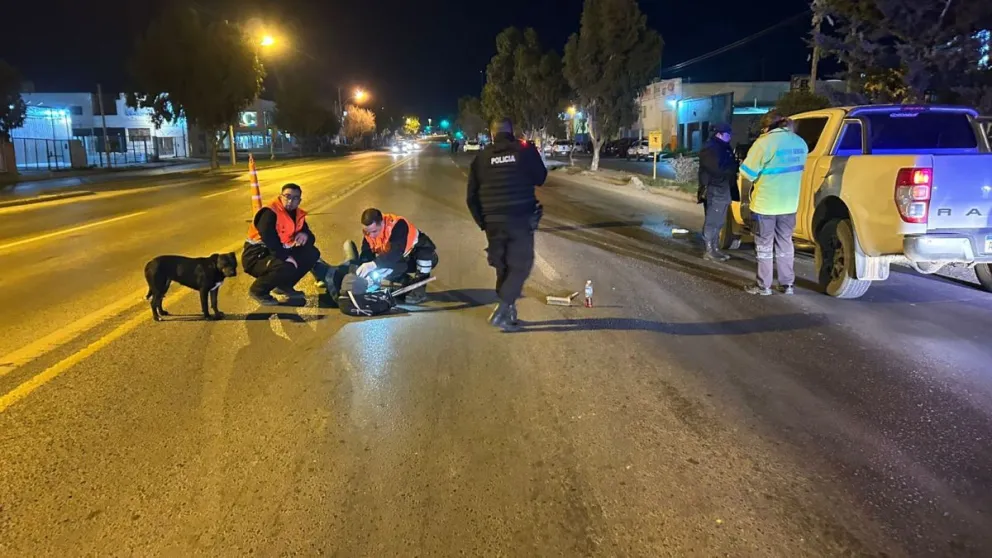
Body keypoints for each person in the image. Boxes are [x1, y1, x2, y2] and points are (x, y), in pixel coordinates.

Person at [466, 118, 548, 331]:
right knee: (521, 265)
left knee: (503, 267)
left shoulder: (481, 158)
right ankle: (502, 309)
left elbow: (471, 197)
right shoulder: (525, 151)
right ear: (512, 132)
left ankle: (509, 312)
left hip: (493, 223)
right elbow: (541, 177)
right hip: (520, 219)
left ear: (492, 135)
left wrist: (483, 223)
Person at [739, 110, 809, 296]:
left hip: (766, 204)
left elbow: (748, 173)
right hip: (789, 204)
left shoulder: (764, 143)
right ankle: (787, 285)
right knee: (785, 243)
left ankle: (764, 286)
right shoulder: (799, 142)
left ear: (767, 126)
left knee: (764, 246)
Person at [243, 183, 322, 305]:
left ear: (299, 201)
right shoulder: (270, 212)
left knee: (312, 253)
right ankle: (258, 290)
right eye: (287, 196)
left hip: (277, 252)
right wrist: (286, 257)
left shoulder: (298, 214)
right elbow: (269, 238)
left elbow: (308, 235)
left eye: (295, 198)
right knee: (286, 265)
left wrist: (305, 235)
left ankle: (284, 286)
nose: (290, 200)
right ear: (280, 196)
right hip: (257, 256)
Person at [354, 208, 437, 304]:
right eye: (367, 232)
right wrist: (364, 272)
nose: (371, 236)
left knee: (424, 254)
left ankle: (419, 290)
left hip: (419, 254)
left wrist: (373, 264)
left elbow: (395, 253)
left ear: (382, 223)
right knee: (381, 269)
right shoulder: (369, 234)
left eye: (374, 231)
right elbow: (367, 254)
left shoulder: (398, 225)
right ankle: (407, 282)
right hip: (402, 259)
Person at [697, 122, 739, 262]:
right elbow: (716, 169)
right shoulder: (711, 148)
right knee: (713, 221)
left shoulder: (722, 147)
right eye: (728, 134)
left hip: (723, 188)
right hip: (715, 189)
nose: (730, 136)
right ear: (719, 134)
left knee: (719, 221)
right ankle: (709, 250)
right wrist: (732, 169)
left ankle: (714, 249)